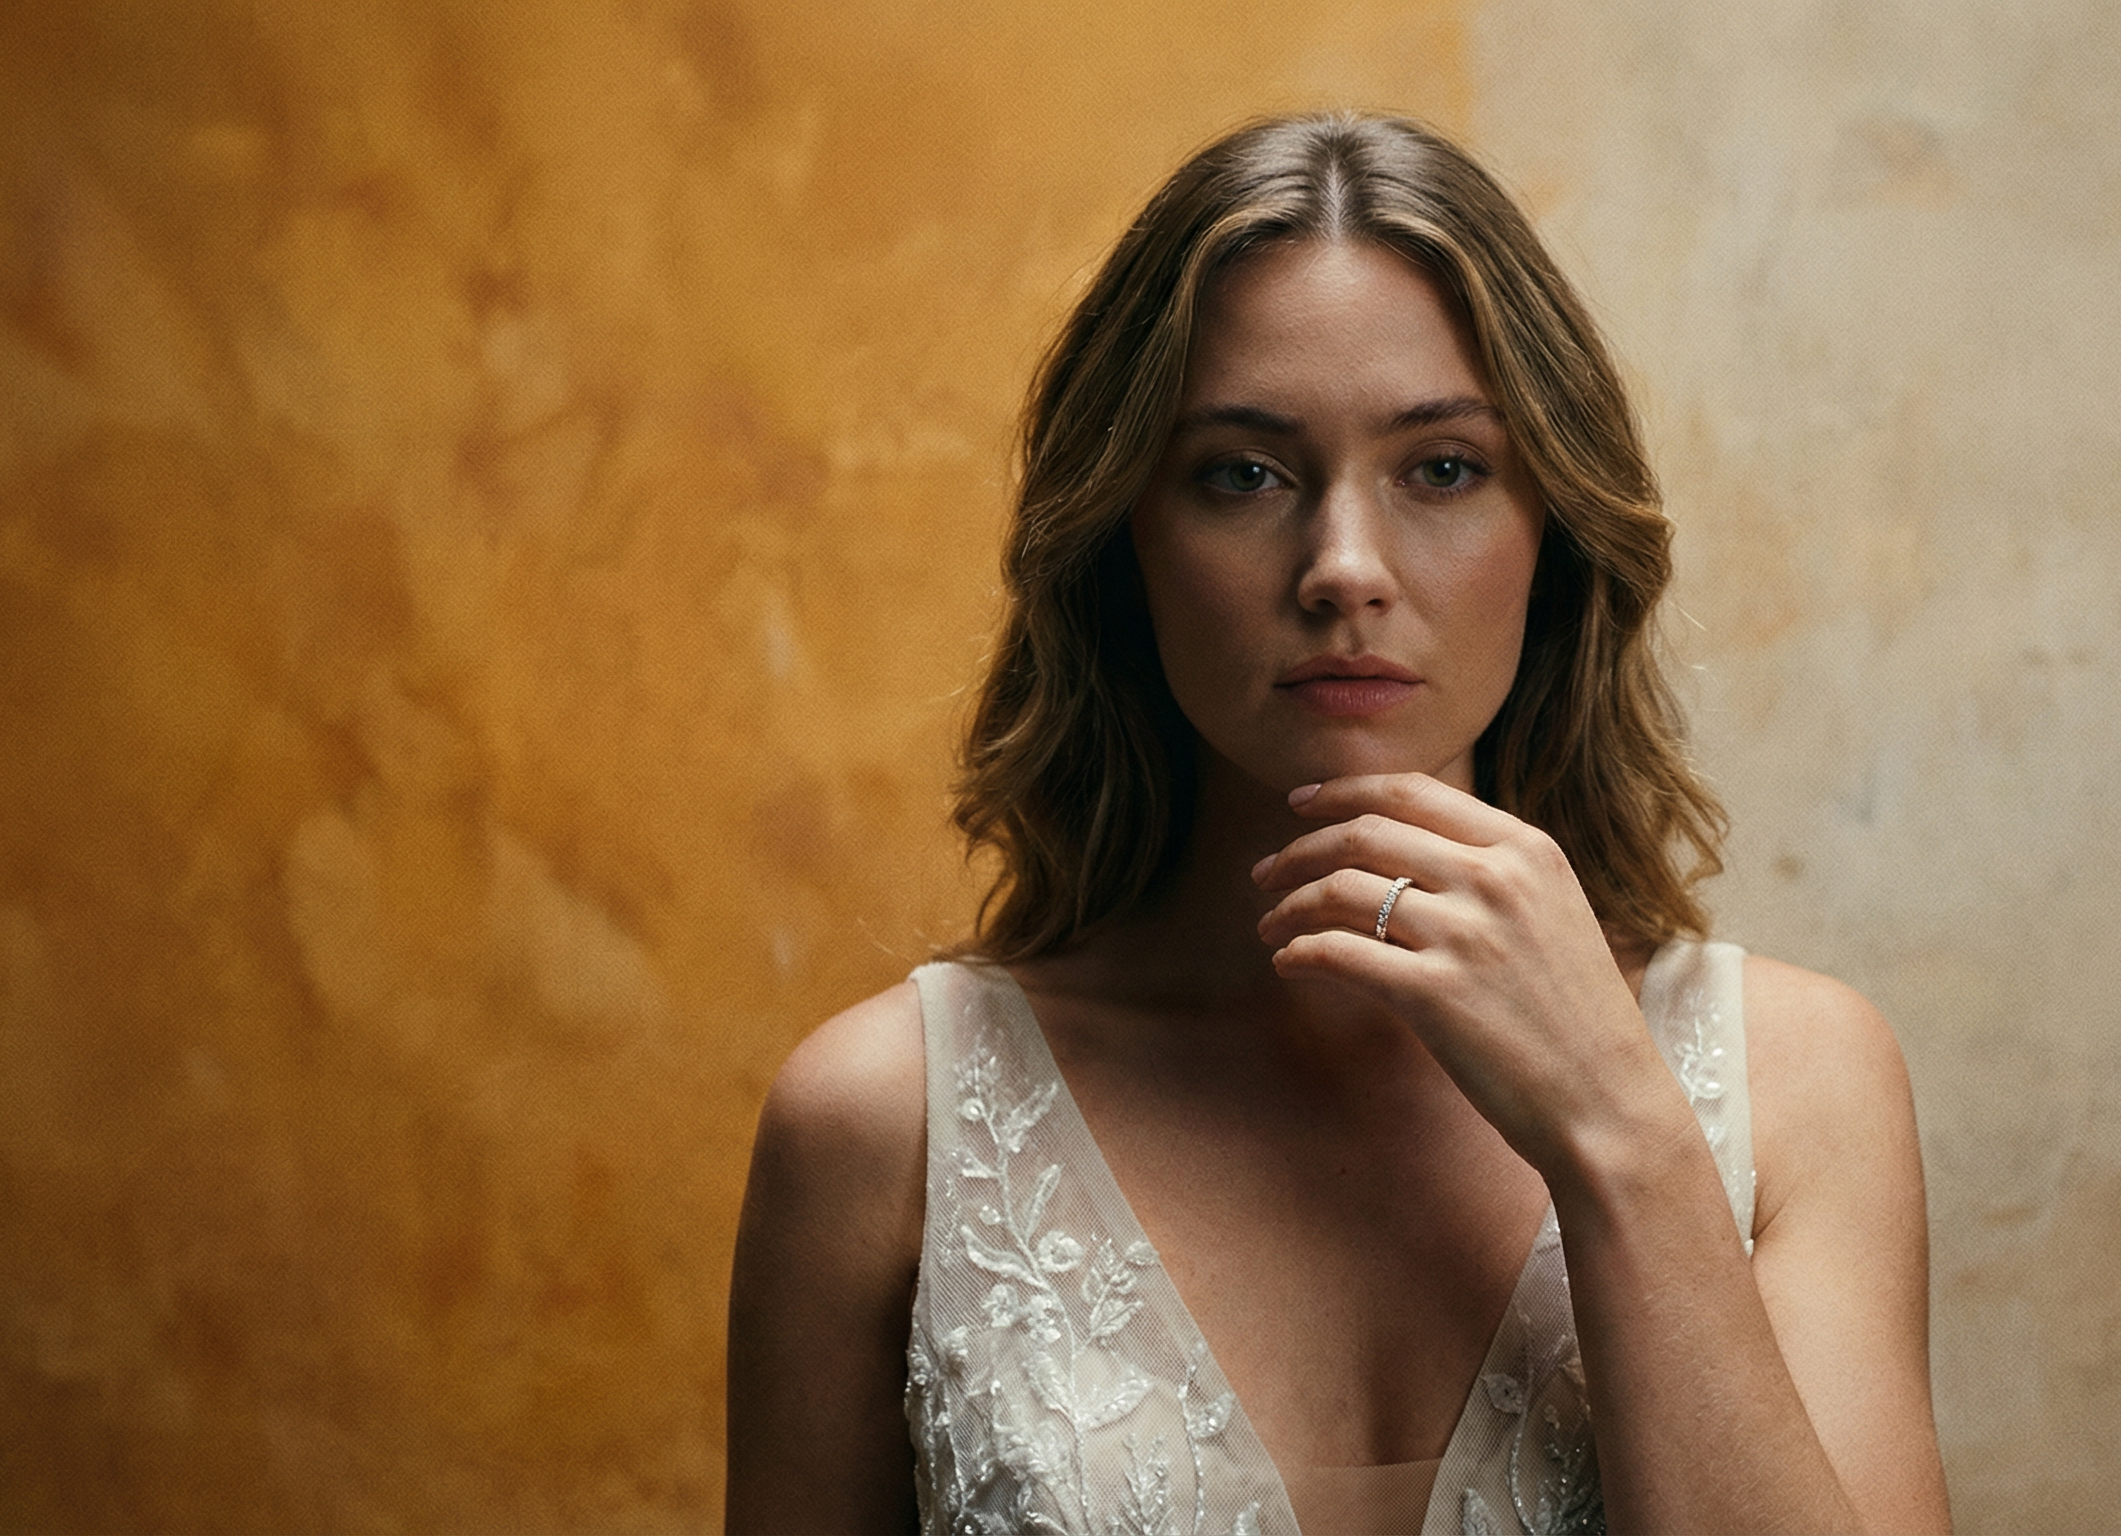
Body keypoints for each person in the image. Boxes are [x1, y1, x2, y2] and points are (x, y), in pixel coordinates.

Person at [724, 112, 1950, 1536]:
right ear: (1126, 538)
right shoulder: (883, 1122)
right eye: (1242, 474)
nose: (1344, 569)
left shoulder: (1803, 1085)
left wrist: (1623, 1131)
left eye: (1443, 468)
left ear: (1553, 527)